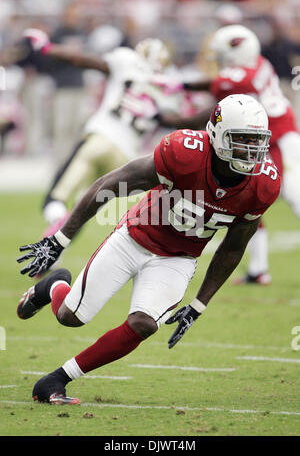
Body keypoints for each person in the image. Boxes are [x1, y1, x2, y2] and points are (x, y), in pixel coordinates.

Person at [16, 94, 281, 405]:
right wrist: (59, 240)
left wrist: (199, 304)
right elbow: (110, 183)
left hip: (179, 258)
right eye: (242, 139)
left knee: (144, 324)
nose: (251, 149)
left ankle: (57, 379)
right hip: (135, 237)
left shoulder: (264, 183)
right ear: (218, 135)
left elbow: (233, 248)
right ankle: (54, 286)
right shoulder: (184, 152)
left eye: (257, 140)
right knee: (70, 316)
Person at [164, 24, 300, 285]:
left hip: (279, 140)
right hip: (270, 140)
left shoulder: (239, 77)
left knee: (294, 198)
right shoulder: (258, 63)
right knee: (250, 198)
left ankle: (259, 269)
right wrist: (181, 87)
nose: (220, 61)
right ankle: (258, 270)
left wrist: (180, 100)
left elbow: (218, 105)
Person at [22, 29, 183, 238]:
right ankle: (54, 254)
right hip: (125, 157)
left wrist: (45, 47)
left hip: (100, 138)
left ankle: (55, 222)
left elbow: (78, 59)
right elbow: (174, 122)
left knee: (55, 200)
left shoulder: (126, 60)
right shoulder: (168, 85)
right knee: (84, 207)